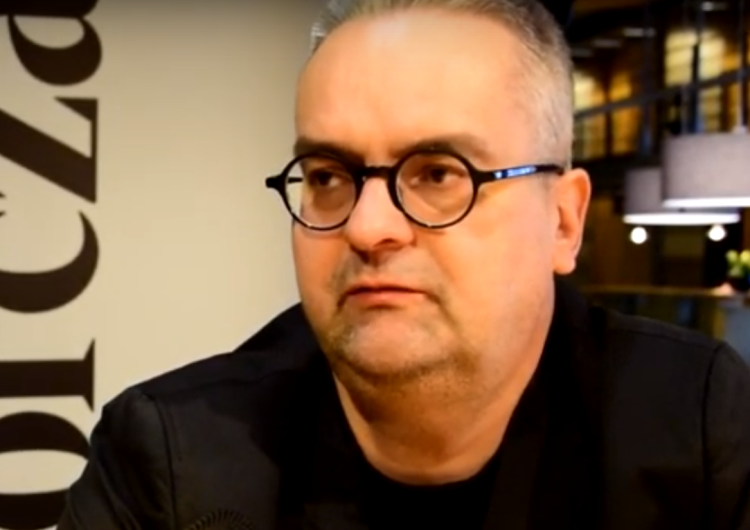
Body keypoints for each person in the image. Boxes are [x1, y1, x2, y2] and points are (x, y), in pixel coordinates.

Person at [58, 0, 750, 528]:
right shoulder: (171, 458)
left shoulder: (699, 425)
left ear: (563, 221)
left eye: (439, 173)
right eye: (328, 176)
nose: (367, 227)